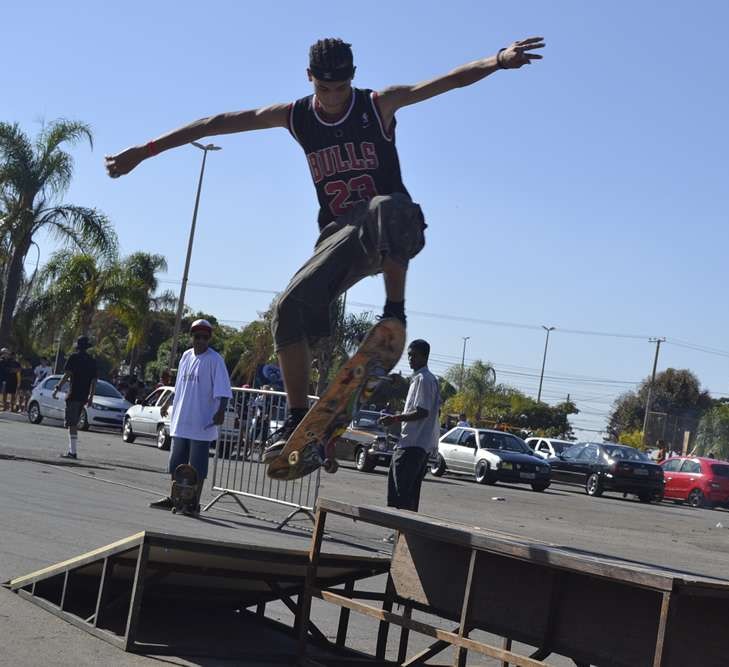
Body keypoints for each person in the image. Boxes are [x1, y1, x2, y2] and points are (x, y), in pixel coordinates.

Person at [106, 36, 544, 456]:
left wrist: (496, 60)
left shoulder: (377, 105)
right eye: (324, 88)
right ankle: (299, 420)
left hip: (395, 229)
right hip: (339, 239)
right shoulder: (295, 116)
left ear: (353, 79)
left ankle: (394, 313)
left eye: (341, 88)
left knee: (385, 204)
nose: (333, 98)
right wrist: (145, 151)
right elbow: (217, 123)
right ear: (308, 78)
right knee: (287, 310)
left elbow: (444, 81)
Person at [150, 320, 232, 513]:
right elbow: (180, 386)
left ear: (209, 339)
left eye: (205, 337)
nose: (201, 341)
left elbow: (224, 390)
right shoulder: (186, 356)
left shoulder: (215, 360)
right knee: (176, 463)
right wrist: (167, 402)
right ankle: (174, 498)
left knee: (197, 467)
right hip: (182, 419)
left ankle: (193, 503)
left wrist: (221, 411)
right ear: (192, 337)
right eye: (197, 337)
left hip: (202, 422)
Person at [379, 340, 440, 514]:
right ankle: (403, 534)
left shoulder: (423, 379)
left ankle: (400, 532)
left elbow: (422, 412)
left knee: (401, 494)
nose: (410, 359)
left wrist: (395, 418)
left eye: (414, 355)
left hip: (412, 445)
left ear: (424, 356)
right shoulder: (424, 379)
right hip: (417, 445)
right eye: (409, 355)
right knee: (408, 495)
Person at [52, 337, 98, 459]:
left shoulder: (74, 358)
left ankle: (73, 452)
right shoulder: (92, 361)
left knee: (71, 424)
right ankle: (72, 450)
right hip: (83, 396)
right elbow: (94, 381)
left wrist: (57, 388)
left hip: (73, 394)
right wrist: (91, 397)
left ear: (78, 346)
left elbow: (67, 375)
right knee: (73, 423)